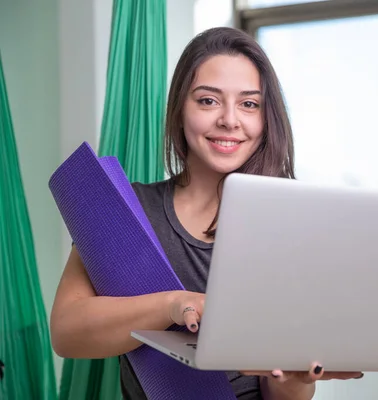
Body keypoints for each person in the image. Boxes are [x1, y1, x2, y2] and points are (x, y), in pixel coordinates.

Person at [50, 27, 362, 400]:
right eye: (209, 101)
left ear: (267, 119)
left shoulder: (285, 223)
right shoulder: (127, 211)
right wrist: (174, 304)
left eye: (249, 104)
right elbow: (67, 333)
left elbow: (283, 394)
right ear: (180, 108)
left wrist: (295, 375)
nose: (230, 120)